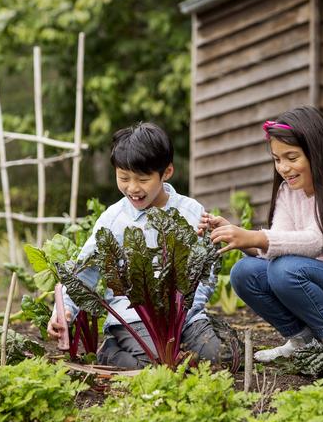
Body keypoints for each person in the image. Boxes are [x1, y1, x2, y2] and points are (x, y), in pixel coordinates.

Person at [200, 105, 323, 362]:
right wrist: (237, 237)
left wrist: (255, 236)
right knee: (244, 272)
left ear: (317, 152)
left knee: (285, 269)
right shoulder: (287, 193)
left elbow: (316, 241)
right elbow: (278, 246)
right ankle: (303, 341)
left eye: (292, 158)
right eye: (277, 159)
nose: (284, 168)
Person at [47, 122, 236, 369]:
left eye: (143, 179)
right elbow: (84, 272)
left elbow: (206, 272)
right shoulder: (113, 220)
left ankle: (184, 350)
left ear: (166, 172)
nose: (132, 188)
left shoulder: (192, 212)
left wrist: (188, 308)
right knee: (156, 364)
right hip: (134, 319)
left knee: (221, 359)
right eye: (123, 178)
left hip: (184, 318)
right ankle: (110, 352)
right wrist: (64, 311)